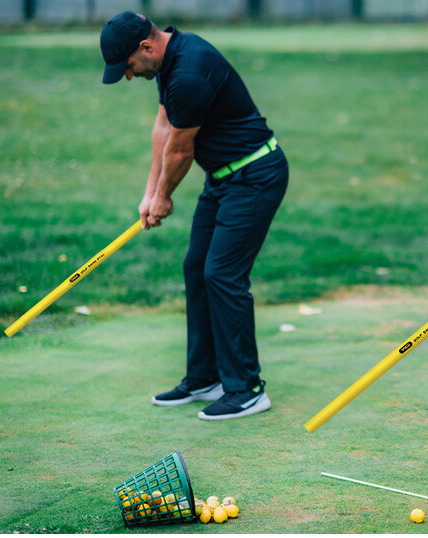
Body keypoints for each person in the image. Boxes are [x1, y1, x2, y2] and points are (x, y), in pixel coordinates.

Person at [100, 12, 288, 420]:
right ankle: (205, 377)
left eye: (128, 66)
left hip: (255, 176)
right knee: (197, 267)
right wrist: (150, 193)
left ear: (146, 48)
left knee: (222, 274)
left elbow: (181, 150)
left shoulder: (189, 72)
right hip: (223, 178)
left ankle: (247, 389)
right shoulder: (171, 59)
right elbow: (163, 126)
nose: (128, 76)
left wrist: (164, 197)